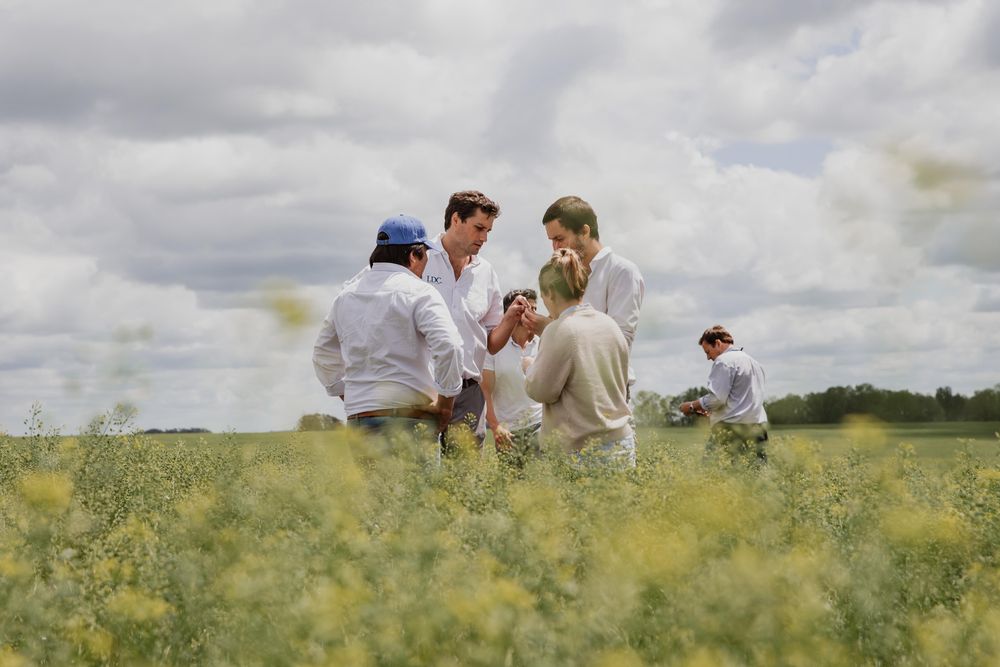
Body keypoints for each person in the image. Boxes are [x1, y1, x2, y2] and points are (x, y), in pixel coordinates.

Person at [312, 214, 464, 462]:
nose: (426, 263)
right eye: (425, 254)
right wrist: (446, 405)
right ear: (414, 255)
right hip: (412, 418)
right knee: (416, 500)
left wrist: (353, 396)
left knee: (374, 500)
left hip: (362, 420)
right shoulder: (421, 292)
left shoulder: (346, 296)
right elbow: (449, 346)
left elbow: (322, 354)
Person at [422, 191, 530, 450]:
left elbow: (491, 344)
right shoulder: (421, 258)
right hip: (424, 386)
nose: (483, 238)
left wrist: (510, 318)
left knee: (463, 479)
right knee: (418, 473)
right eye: (479, 228)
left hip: (468, 390)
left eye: (488, 231)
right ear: (456, 219)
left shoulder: (486, 272)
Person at [524, 249, 634, 468]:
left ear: (551, 292)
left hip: (579, 452)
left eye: (543, 295)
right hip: (621, 445)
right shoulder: (609, 325)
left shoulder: (559, 330)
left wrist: (529, 367)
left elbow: (541, 391)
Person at [523, 195, 644, 393]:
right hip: (566, 389)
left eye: (559, 239)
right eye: (551, 240)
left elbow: (619, 344)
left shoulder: (622, 271)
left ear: (584, 231)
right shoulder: (563, 272)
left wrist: (549, 329)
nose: (555, 248)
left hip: (604, 392)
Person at [680, 325, 769, 466]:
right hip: (758, 428)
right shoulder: (755, 363)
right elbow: (742, 400)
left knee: (711, 473)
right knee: (756, 477)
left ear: (717, 343)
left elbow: (717, 399)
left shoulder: (724, 361)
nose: (708, 357)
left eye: (708, 352)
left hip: (731, 429)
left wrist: (691, 406)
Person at [481, 289, 543, 468]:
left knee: (541, 486)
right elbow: (485, 390)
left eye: (534, 308)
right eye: (525, 308)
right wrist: (495, 426)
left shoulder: (543, 343)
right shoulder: (494, 345)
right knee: (512, 488)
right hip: (508, 431)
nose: (531, 313)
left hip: (540, 424)